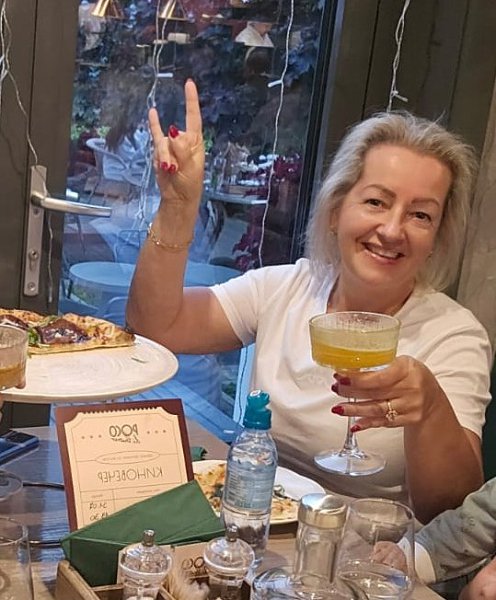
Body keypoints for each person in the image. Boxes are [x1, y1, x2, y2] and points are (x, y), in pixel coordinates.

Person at [126, 80, 492, 524]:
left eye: (420, 215)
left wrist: (429, 409)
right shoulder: (287, 288)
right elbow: (157, 325)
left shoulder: (453, 335)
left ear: (436, 237)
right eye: (376, 201)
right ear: (337, 210)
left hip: (367, 547)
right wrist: (178, 207)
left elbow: (451, 510)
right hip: (256, 522)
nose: (393, 230)